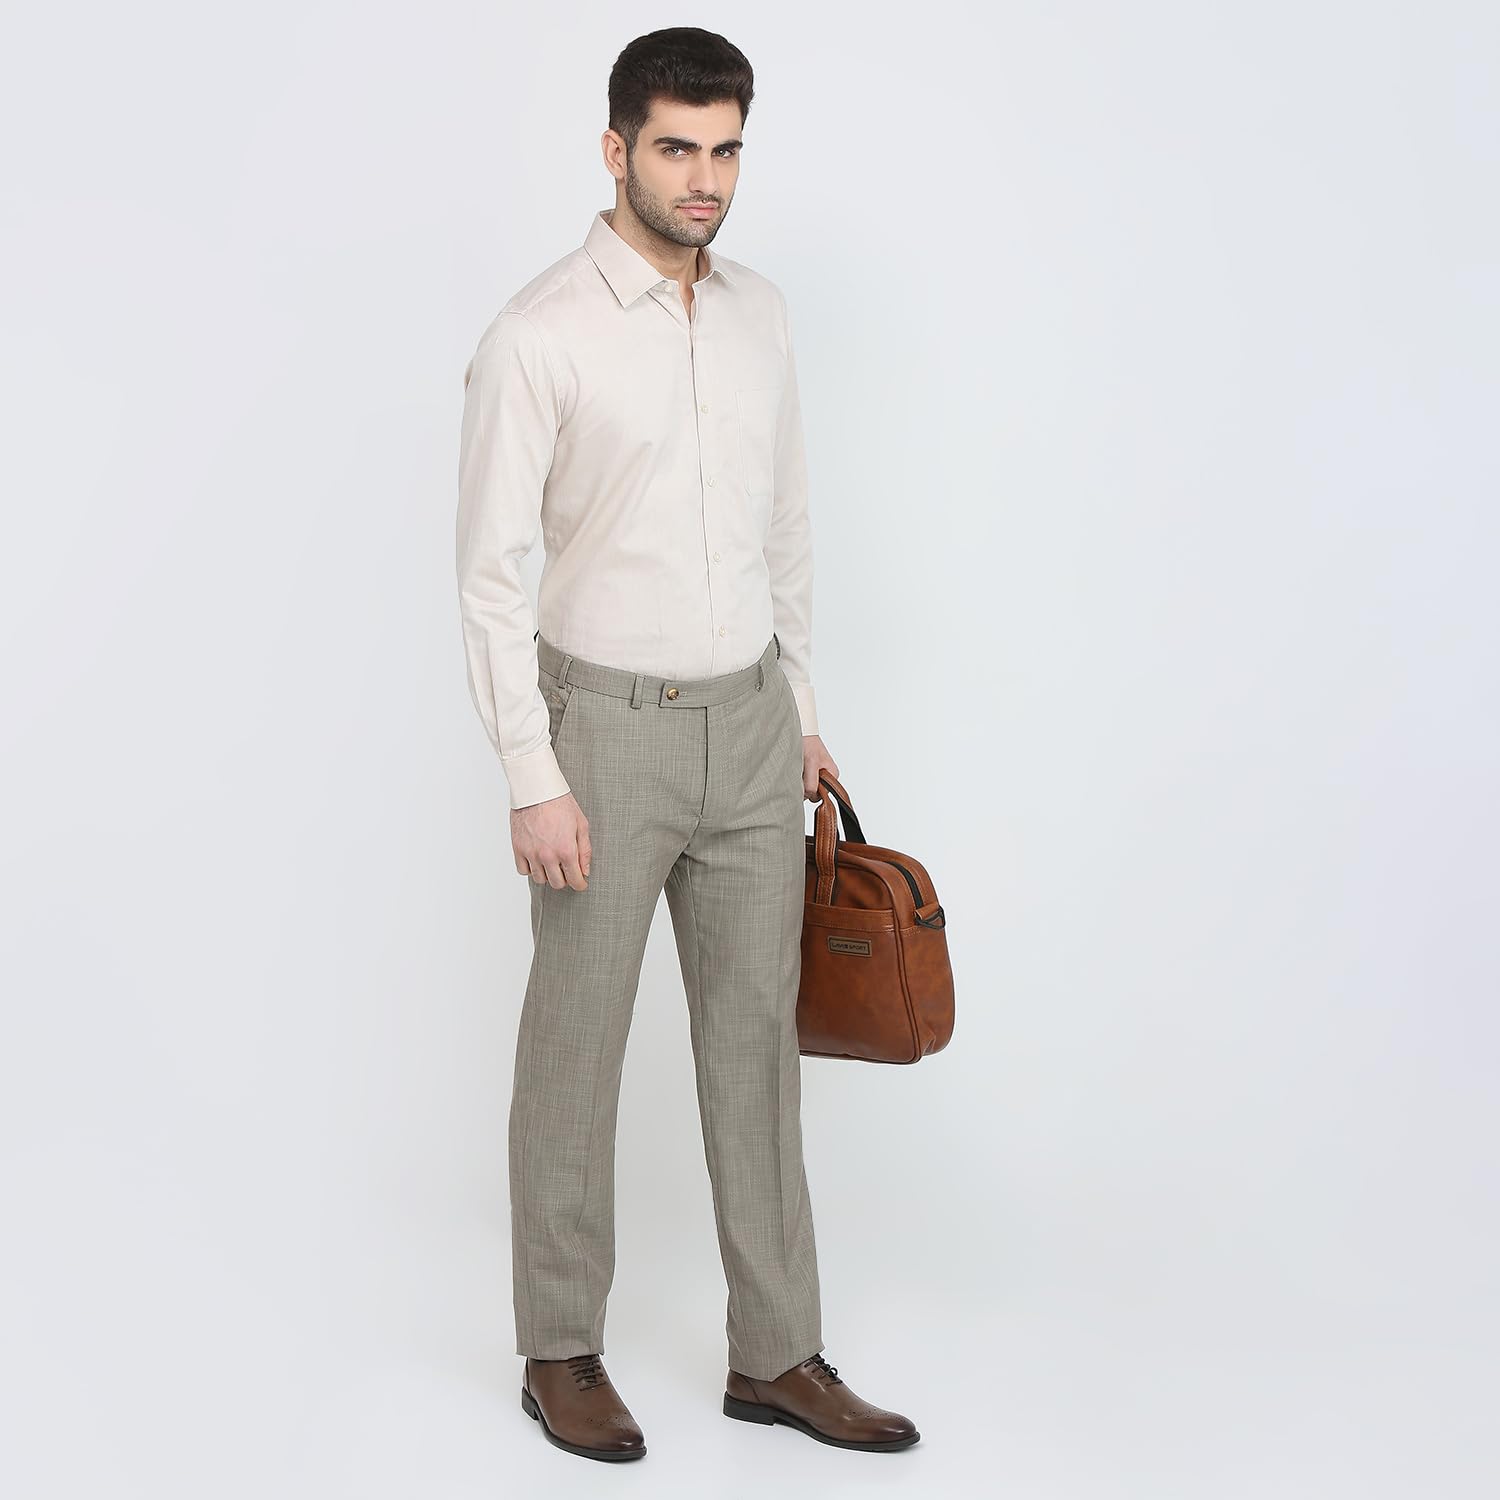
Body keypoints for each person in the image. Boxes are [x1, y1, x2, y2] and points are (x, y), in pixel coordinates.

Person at [454, 26, 920, 1462]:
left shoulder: (762, 314)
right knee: (576, 1051)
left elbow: (787, 527)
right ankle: (559, 1350)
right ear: (617, 150)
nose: (704, 178)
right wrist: (533, 774)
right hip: (603, 734)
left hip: (753, 726)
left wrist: (804, 715)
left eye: (725, 150)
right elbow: (490, 578)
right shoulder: (537, 335)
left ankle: (775, 1355)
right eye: (676, 148)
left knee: (757, 1053)